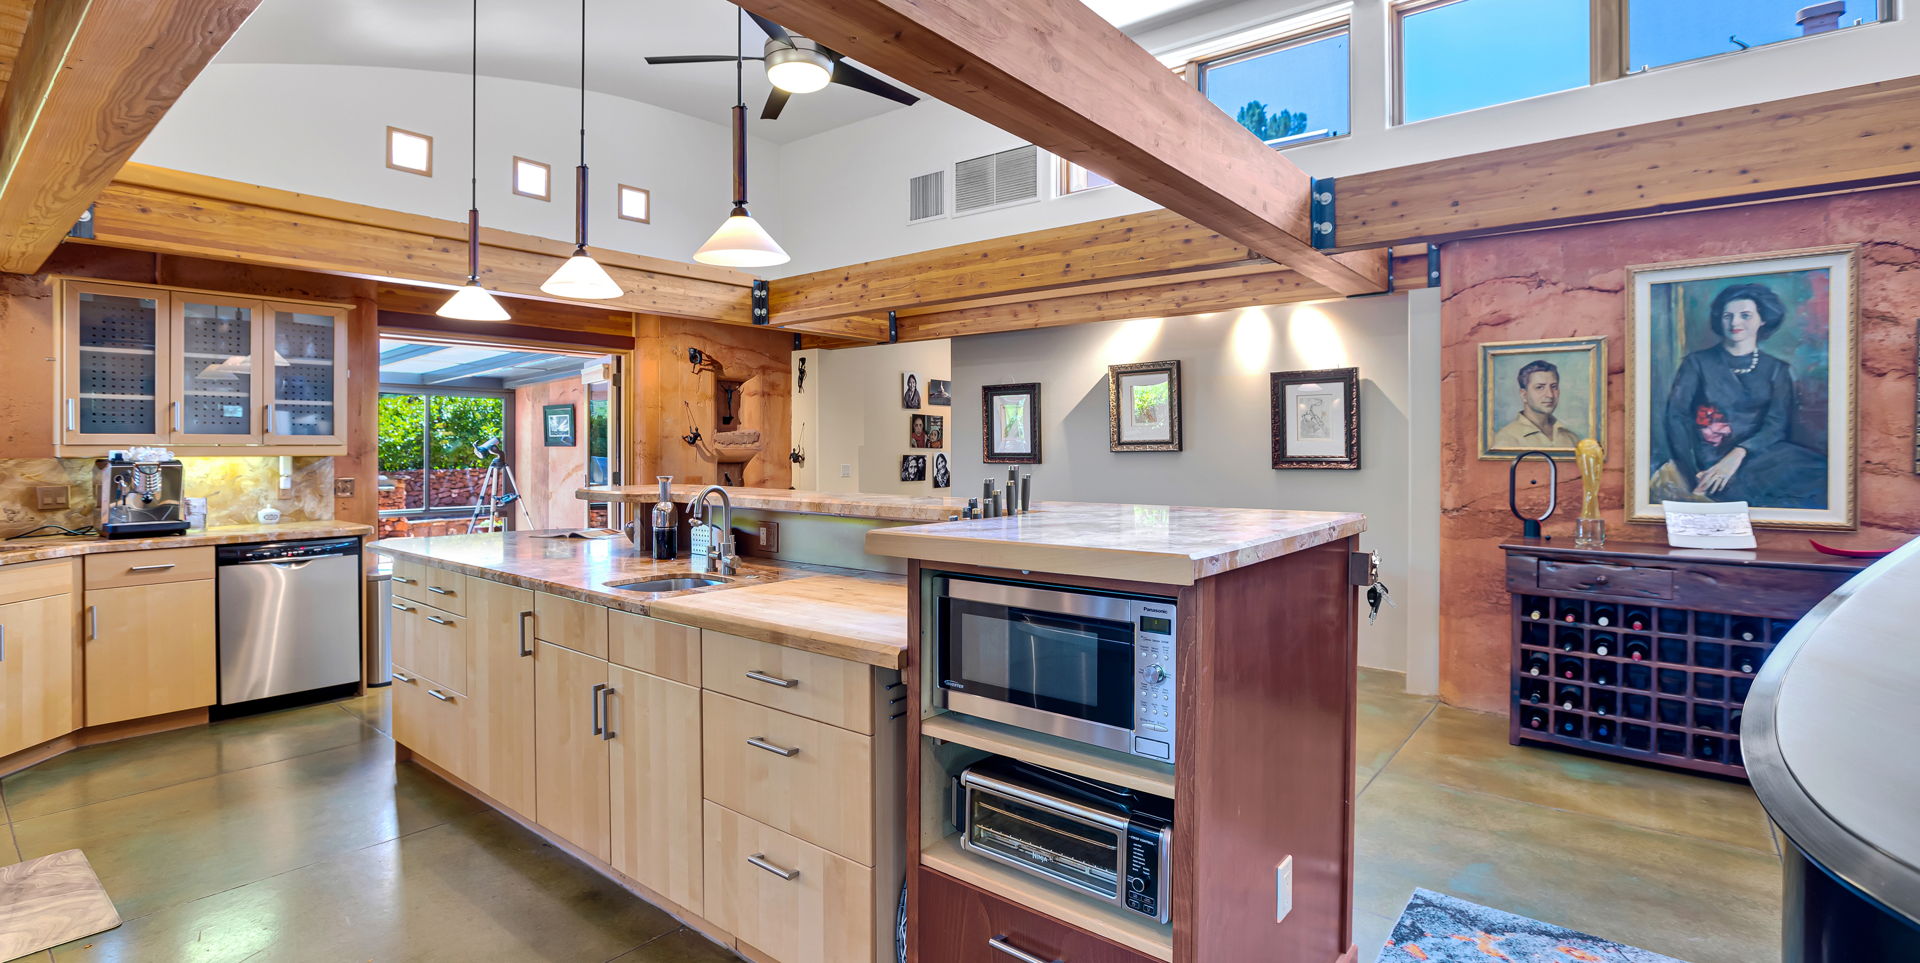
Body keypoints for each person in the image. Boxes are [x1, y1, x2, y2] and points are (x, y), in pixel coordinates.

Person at [1652, 282, 1825, 507]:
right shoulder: (1697, 363)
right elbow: (1676, 417)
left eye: (1745, 315)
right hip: (1710, 458)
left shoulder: (1777, 369)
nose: (1735, 323)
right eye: (1727, 316)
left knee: (1819, 473)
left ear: (1762, 319)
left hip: (1762, 454)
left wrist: (1739, 453)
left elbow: (1776, 424)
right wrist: (1692, 469)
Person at [1493, 359, 1583, 449]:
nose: (1550, 395)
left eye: (1554, 387)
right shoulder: (1507, 438)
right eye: (1540, 387)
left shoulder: (1571, 438)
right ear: (1524, 394)